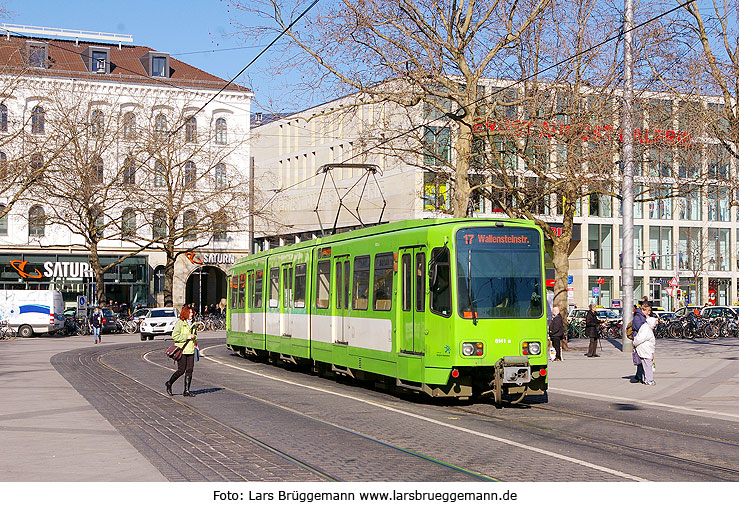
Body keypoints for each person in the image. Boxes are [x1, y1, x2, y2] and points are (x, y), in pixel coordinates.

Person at [165, 306, 198, 397]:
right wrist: (187, 337)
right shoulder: (180, 323)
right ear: (185, 313)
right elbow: (175, 336)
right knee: (181, 370)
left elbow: (195, 335)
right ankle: (169, 383)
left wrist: (194, 338)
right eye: (190, 313)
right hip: (182, 350)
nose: (192, 314)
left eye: (192, 313)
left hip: (190, 349)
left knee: (190, 370)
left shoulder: (193, 323)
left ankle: (186, 391)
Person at [633, 311, 657, 385]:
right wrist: (635, 344)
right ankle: (649, 380)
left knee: (645, 365)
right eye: (655, 323)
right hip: (645, 350)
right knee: (648, 366)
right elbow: (640, 338)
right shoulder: (646, 329)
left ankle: (645, 379)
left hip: (645, 349)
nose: (655, 325)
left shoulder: (646, 327)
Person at [631, 300, 650, 383]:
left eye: (649, 311)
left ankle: (640, 376)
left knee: (642, 359)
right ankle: (640, 376)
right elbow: (641, 329)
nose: (649, 313)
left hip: (643, 340)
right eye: (647, 311)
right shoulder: (638, 317)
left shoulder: (642, 316)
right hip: (639, 340)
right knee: (641, 358)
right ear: (643, 310)